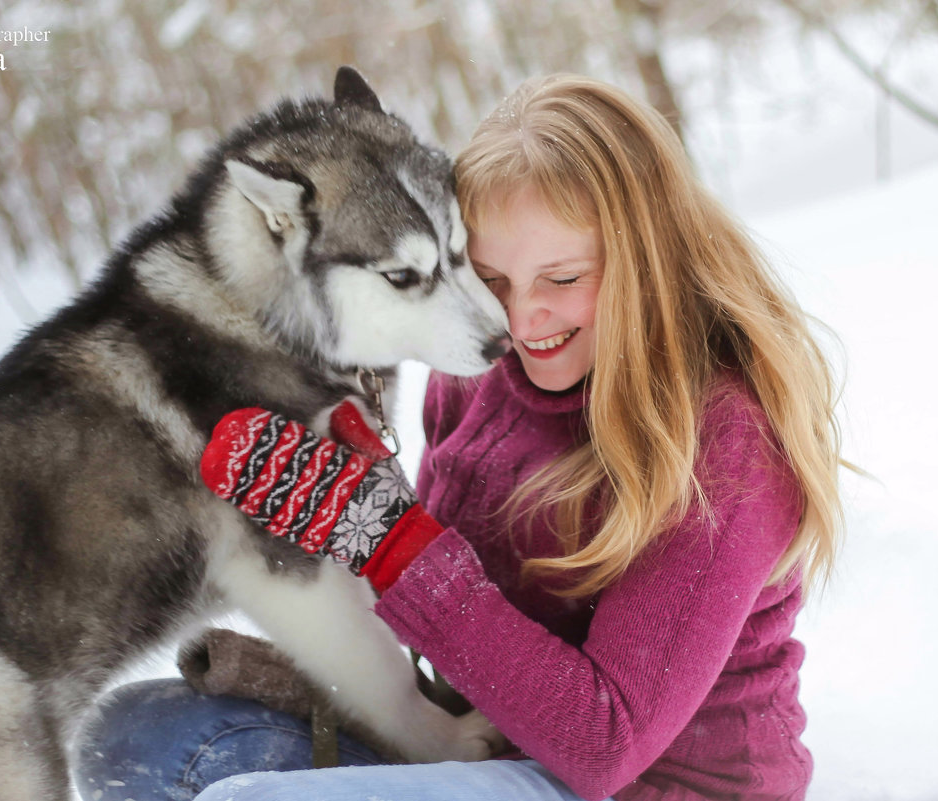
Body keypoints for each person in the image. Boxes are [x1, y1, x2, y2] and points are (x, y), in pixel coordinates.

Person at [74, 74, 844, 801]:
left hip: (643, 784)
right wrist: (363, 509)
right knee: (134, 736)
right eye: (490, 278)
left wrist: (395, 542)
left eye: (563, 279)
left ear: (648, 257)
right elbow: (457, 595)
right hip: (492, 743)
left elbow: (606, 740)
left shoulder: (724, 440)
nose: (520, 317)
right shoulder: (480, 371)